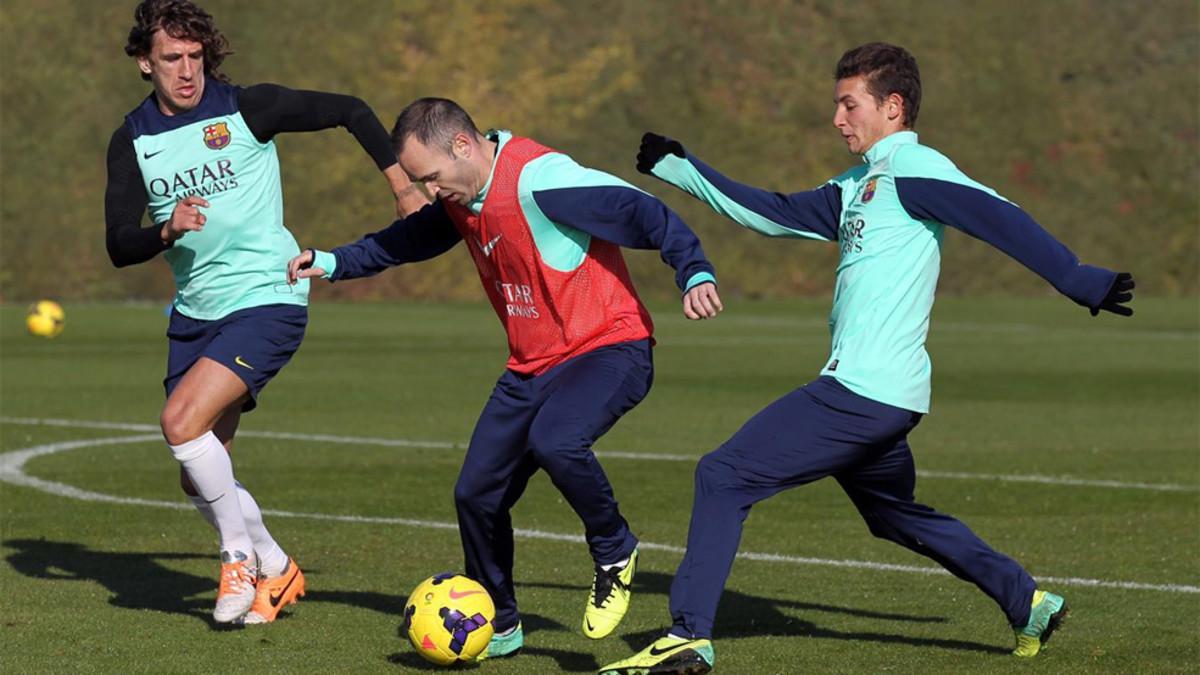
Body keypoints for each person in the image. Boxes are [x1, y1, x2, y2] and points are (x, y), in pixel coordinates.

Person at [600, 42, 1135, 674]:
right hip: (882, 395)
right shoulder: (860, 183)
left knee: (724, 475)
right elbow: (773, 214)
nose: (837, 119)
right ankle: (1028, 603)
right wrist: (685, 169)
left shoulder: (916, 169)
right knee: (891, 514)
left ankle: (688, 634)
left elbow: (1000, 217)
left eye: (848, 105)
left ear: (893, 105)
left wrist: (1077, 277)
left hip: (862, 392)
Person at [287, 97, 723, 658]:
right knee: (476, 495)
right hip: (532, 366)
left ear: (464, 146)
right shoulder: (462, 194)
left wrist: (693, 269)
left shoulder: (543, 180)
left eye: (431, 177)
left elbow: (644, 211)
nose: (428, 191)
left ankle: (614, 547)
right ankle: (501, 622)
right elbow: (407, 239)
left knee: (557, 440)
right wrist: (331, 261)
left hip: (610, 348)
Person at [104, 0, 428, 625]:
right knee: (198, 475)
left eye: (196, 56)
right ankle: (277, 568)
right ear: (145, 63)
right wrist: (165, 232)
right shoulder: (133, 139)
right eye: (172, 58)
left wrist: (400, 183)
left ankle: (237, 561)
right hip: (195, 314)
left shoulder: (246, 108)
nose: (187, 70)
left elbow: (350, 110)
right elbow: (119, 242)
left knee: (178, 421)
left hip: (267, 296)